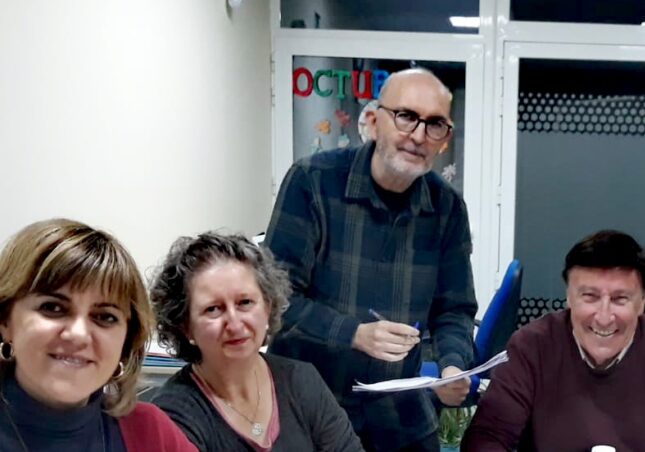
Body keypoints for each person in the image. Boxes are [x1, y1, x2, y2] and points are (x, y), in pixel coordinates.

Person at [265, 68, 478, 452]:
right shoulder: (313, 181)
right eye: (406, 116)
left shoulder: (446, 207)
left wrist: (451, 366)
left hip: (399, 414)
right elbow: (276, 300)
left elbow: (454, 309)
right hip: (309, 410)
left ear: (444, 139)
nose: (418, 136)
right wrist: (355, 334)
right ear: (374, 121)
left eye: (434, 124)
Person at [462, 230, 645, 452]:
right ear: (569, 297)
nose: (604, 317)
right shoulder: (532, 346)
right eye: (590, 297)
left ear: (642, 302)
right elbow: (488, 437)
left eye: (620, 299)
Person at [149, 232, 364, 451]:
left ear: (268, 307)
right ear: (185, 327)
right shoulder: (172, 416)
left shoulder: (301, 380)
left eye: (245, 302)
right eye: (213, 309)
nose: (234, 324)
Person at [0, 218, 195, 452]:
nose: (79, 334)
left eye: (105, 317)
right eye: (53, 307)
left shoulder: (152, 432)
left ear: (126, 341)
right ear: (5, 321)